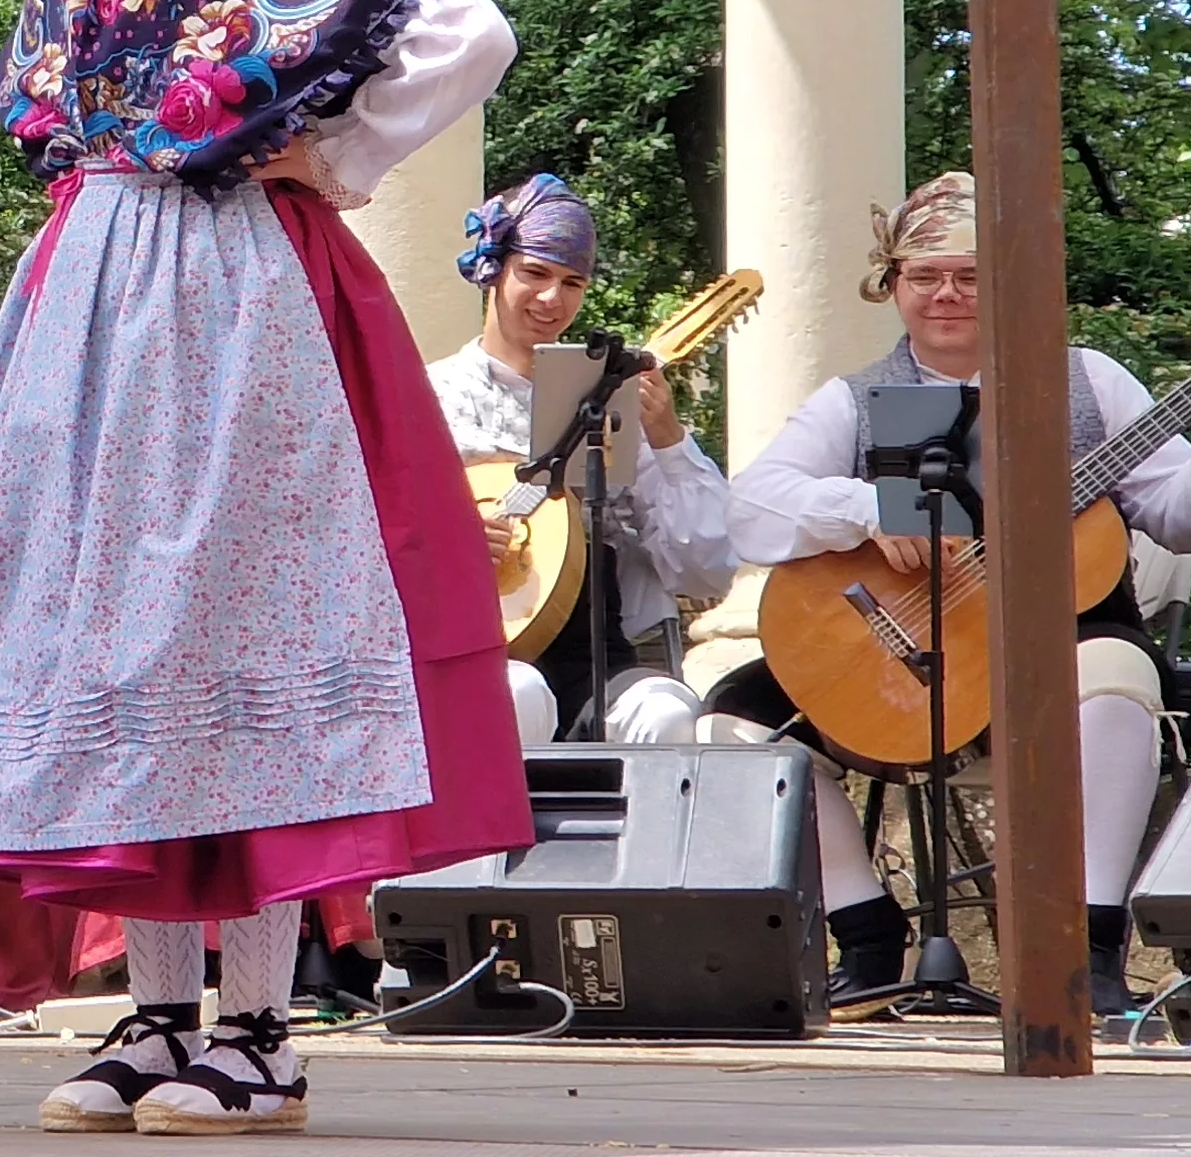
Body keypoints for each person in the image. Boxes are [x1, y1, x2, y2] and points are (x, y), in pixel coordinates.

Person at [0, 0, 527, 1136]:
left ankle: (255, 1028)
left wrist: (333, 151)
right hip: (94, 284)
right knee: (116, 632)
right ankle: (154, 1011)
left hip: (227, 295)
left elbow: (461, 30)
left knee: (225, 620)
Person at [703, 172, 1191, 1020]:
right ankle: (864, 933)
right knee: (731, 725)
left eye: (970, 275)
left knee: (1119, 678)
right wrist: (866, 509)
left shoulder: (1090, 382)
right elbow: (748, 505)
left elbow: (1174, 505)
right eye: (923, 276)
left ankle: (1090, 947)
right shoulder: (853, 400)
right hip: (910, 655)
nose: (947, 295)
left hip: (1064, 650)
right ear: (891, 285)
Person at [432, 174, 734, 745]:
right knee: (514, 694)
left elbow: (710, 569)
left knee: (667, 711)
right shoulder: (430, 399)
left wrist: (667, 436)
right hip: (476, 642)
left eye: (572, 281)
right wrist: (451, 539)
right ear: (492, 270)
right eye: (535, 273)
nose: (552, 299)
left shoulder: (613, 397)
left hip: (599, 649)